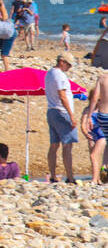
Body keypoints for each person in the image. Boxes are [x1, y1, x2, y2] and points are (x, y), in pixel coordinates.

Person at [45, 52, 79, 183]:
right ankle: (70, 177)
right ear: (62, 62)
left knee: (54, 145)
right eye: (68, 65)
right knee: (68, 145)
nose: (69, 68)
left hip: (52, 110)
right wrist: (71, 115)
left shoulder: (49, 73)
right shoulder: (59, 75)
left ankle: (53, 176)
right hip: (61, 112)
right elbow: (62, 95)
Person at [82, 70, 108, 185]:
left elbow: (95, 97)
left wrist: (89, 116)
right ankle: (102, 171)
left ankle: (103, 170)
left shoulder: (102, 78)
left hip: (102, 116)